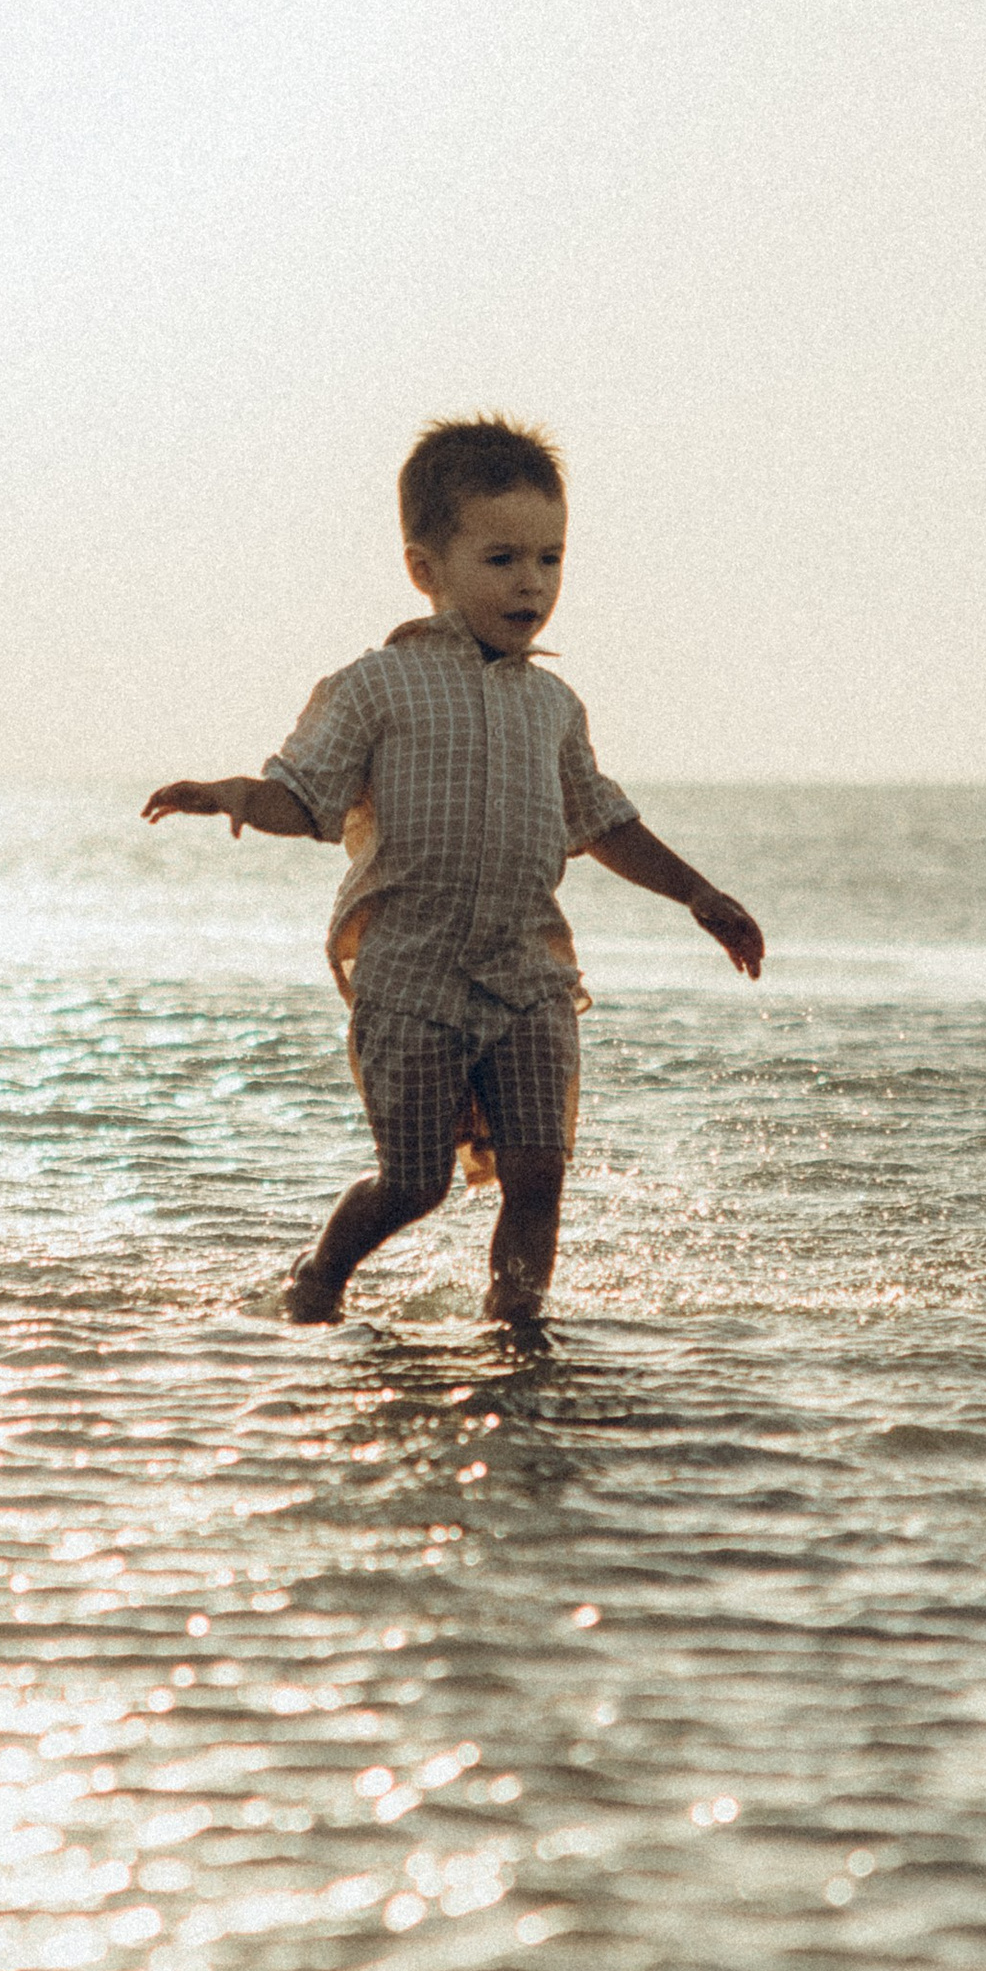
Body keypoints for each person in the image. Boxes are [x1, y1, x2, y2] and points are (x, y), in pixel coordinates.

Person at [144, 416, 763, 1325]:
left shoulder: (554, 705)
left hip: (527, 977)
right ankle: (320, 1273)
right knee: (416, 1179)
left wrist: (700, 894)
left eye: (550, 559)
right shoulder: (378, 686)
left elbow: (605, 821)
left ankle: (516, 1330)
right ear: (425, 569)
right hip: (412, 977)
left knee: (539, 1173)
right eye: (503, 558)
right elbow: (304, 793)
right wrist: (234, 793)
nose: (532, 583)